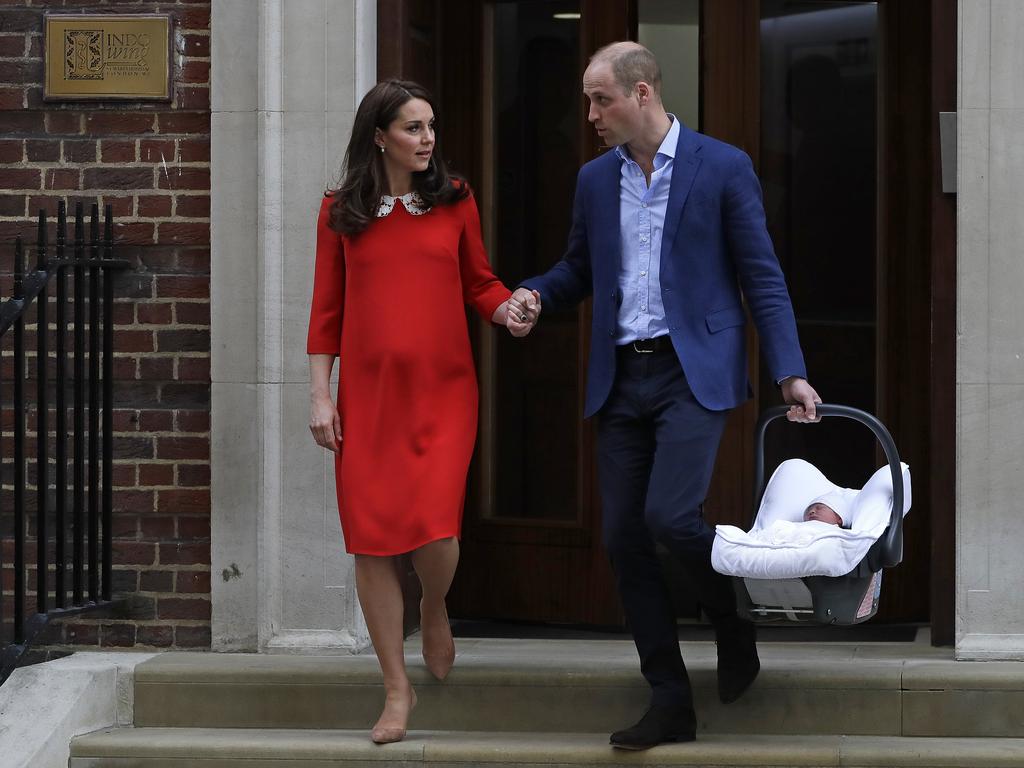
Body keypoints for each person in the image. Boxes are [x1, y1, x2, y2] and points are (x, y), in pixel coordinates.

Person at [507, 42, 821, 750]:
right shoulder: (595, 179)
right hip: (621, 376)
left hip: (693, 370)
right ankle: (670, 698)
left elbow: (762, 277)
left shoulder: (722, 166)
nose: (589, 114)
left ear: (641, 93)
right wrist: (534, 293)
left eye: (600, 99)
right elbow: (579, 268)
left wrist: (788, 371)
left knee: (670, 517)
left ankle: (730, 617)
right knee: (623, 537)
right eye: (588, 101)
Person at [306, 79, 537, 745]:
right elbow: (325, 314)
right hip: (369, 401)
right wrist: (321, 395)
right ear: (380, 135)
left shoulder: (454, 200)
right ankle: (396, 688)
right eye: (413, 127)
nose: (428, 138)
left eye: (430, 125)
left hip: (444, 391)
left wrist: (508, 311)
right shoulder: (338, 212)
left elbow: (479, 281)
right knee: (373, 543)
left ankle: (434, 606)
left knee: (436, 532)